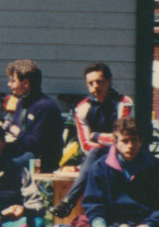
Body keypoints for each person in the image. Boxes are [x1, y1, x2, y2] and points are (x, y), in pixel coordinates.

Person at [57, 62, 136, 216]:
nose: (95, 87)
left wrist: (96, 135)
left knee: (97, 156)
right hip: (96, 156)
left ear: (109, 81)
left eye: (100, 82)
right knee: (95, 156)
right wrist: (106, 140)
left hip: (125, 153)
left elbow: (122, 138)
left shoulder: (124, 103)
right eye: (90, 83)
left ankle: (69, 201)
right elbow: (85, 144)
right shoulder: (82, 108)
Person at [3, 59, 64, 174]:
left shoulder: (45, 107)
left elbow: (37, 144)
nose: (9, 84)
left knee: (6, 165)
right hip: (23, 149)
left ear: (25, 83)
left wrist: (16, 132)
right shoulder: (21, 102)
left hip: (41, 159)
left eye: (13, 81)